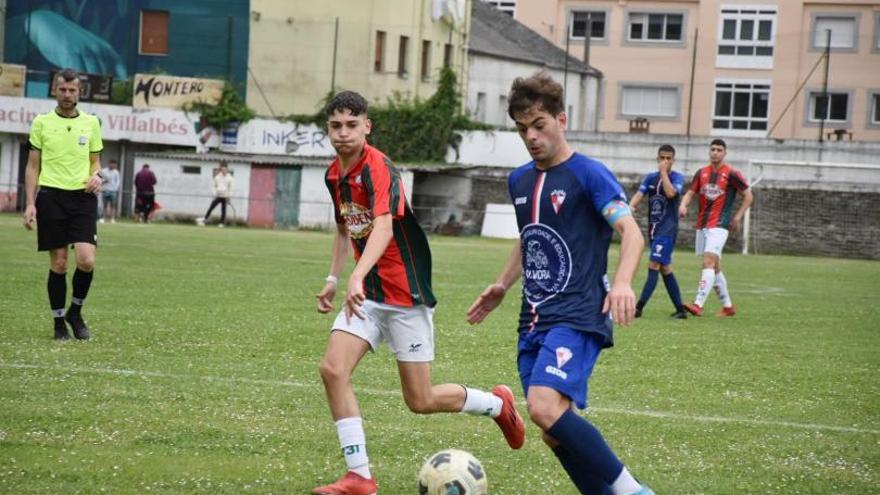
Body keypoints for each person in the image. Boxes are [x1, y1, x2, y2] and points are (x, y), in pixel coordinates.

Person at [312, 91, 525, 495]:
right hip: (368, 295)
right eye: (336, 126)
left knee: (421, 400)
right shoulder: (332, 175)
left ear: (367, 126)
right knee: (333, 370)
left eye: (352, 125)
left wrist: (357, 275)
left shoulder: (380, 169)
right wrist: (334, 278)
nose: (343, 134)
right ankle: (359, 476)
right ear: (328, 129)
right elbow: (345, 227)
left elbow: (384, 227)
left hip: (404, 293)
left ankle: (498, 404)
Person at [467, 73, 653, 495]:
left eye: (539, 126)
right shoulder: (519, 180)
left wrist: (622, 283)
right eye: (521, 129)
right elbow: (529, 237)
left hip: (580, 312)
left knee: (544, 407)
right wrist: (502, 284)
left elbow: (632, 232)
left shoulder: (590, 174)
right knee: (554, 430)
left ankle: (633, 491)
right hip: (532, 319)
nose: (530, 137)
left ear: (561, 120)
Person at [22, 68, 103, 341]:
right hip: (51, 197)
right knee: (59, 264)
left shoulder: (91, 123)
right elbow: (33, 167)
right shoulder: (42, 122)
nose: (67, 94)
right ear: (54, 91)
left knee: (87, 260)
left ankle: (75, 313)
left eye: (72, 90)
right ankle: (59, 323)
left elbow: (96, 161)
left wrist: (97, 175)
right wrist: (30, 203)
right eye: (63, 89)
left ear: (80, 92)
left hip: (82, 198)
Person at [678, 139, 753, 317]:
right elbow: (690, 192)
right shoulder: (701, 173)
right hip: (702, 224)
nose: (715, 152)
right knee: (715, 267)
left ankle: (698, 304)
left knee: (708, 263)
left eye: (719, 150)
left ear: (725, 153)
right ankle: (728, 307)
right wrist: (683, 205)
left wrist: (738, 216)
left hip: (720, 225)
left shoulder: (732, 174)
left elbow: (748, 196)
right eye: (712, 149)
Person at [630, 144, 687, 319]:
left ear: (673, 161)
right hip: (654, 230)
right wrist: (629, 208)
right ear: (657, 159)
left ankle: (638, 308)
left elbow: (671, 194)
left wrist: (664, 173)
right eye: (662, 158)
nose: (665, 162)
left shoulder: (677, 177)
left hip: (667, 230)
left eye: (668, 159)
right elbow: (638, 196)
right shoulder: (650, 179)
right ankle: (680, 310)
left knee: (654, 264)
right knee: (665, 269)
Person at [196, 162, 233, 227]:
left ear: (227, 169)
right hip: (218, 195)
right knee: (211, 207)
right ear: (221, 169)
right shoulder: (217, 177)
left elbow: (231, 188)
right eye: (222, 169)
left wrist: (229, 197)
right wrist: (214, 194)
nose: (224, 171)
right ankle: (205, 219)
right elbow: (214, 186)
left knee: (223, 210)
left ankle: (221, 223)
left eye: (225, 169)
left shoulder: (230, 178)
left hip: (225, 196)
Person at [99, 159, 120, 224]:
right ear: (109, 164)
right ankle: (103, 218)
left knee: (113, 205)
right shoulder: (104, 171)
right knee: (104, 205)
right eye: (112, 164)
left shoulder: (116, 172)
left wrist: (116, 188)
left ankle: (112, 218)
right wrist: (103, 182)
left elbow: (118, 181)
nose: (113, 165)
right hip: (105, 190)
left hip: (113, 191)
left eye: (115, 164)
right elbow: (100, 179)